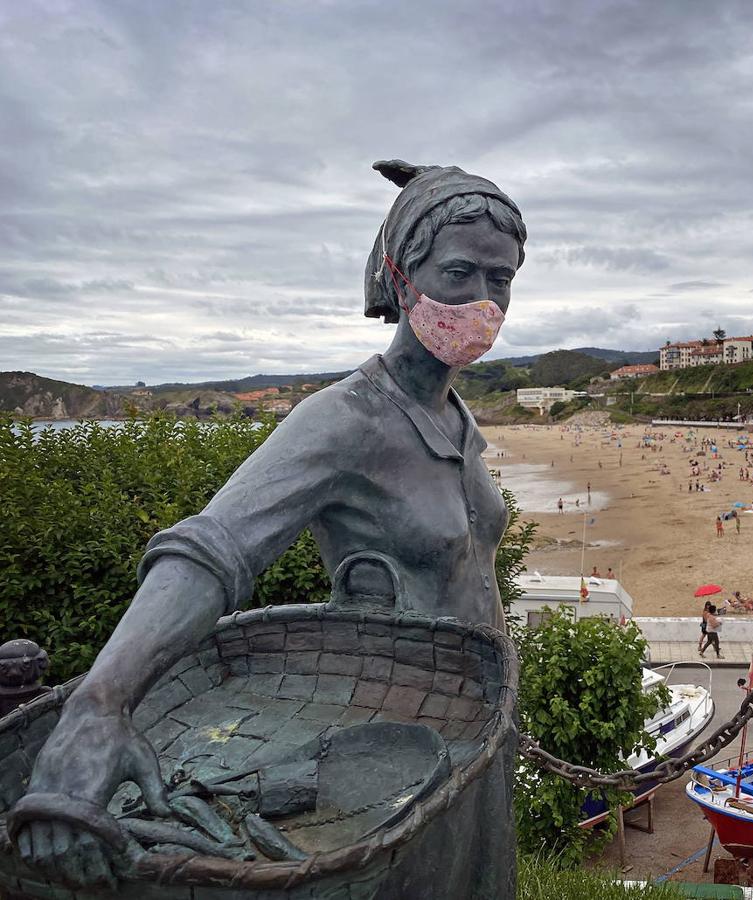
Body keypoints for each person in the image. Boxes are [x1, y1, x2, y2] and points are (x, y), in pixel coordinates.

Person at [13, 159, 529, 887]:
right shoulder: (345, 420)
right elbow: (212, 546)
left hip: (480, 727)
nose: (481, 300)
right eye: (458, 273)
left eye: (499, 279)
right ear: (400, 275)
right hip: (393, 745)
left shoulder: (459, 421)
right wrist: (100, 704)